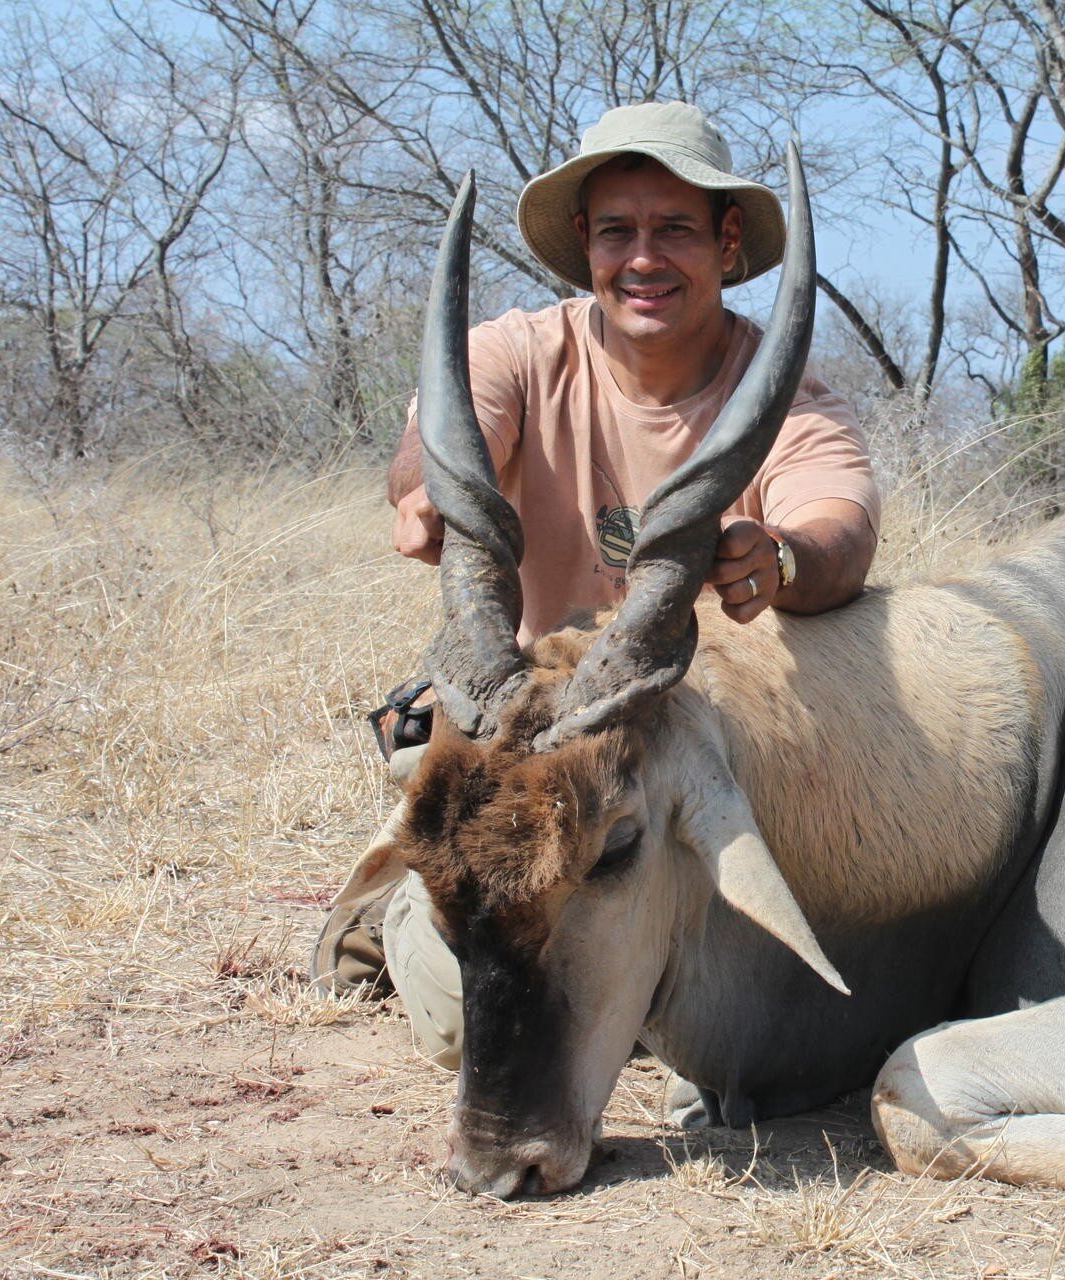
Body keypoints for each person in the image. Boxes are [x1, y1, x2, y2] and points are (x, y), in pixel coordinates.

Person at [309, 101, 882, 1068]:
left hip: (680, 758)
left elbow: (841, 533)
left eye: (674, 230)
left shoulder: (793, 400)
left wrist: (777, 557)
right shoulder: (516, 351)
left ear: (727, 238)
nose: (643, 258)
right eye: (618, 230)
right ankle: (404, 909)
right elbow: (433, 455)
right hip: (523, 758)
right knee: (465, 1025)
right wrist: (437, 490)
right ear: (585, 242)